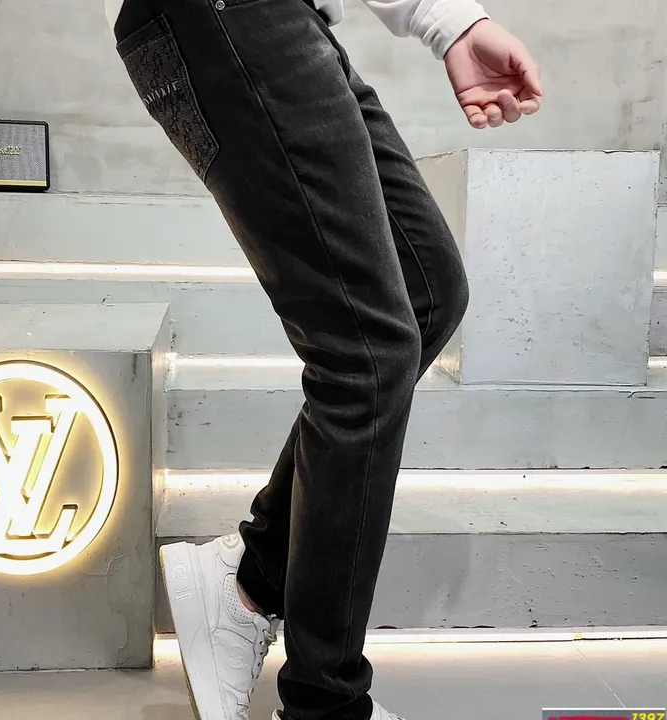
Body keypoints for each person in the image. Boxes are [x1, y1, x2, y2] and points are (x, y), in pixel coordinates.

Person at [106, 0, 542, 718]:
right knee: (366, 354)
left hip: (292, 19)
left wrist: (451, 24)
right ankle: (324, 705)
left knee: (430, 292)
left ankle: (253, 579)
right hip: (225, 17)